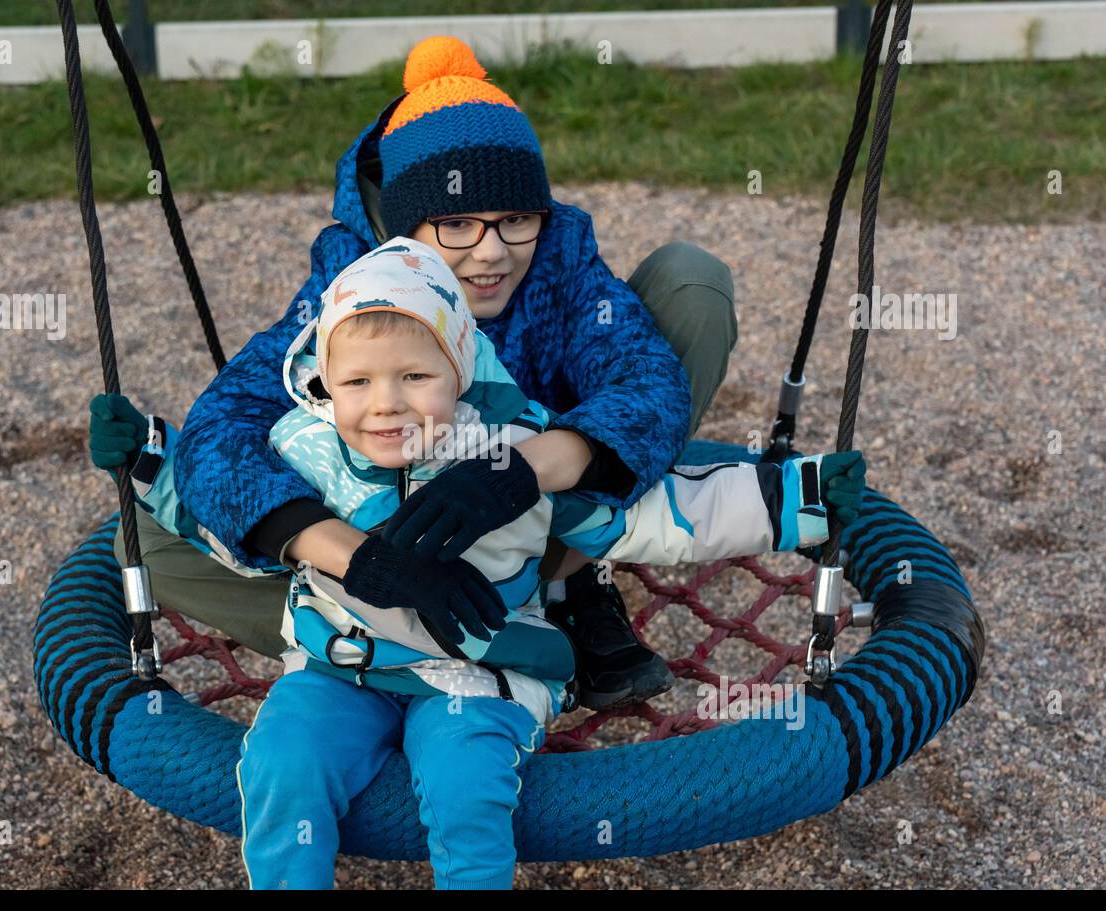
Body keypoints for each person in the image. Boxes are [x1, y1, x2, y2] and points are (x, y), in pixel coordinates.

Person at [98, 238, 866, 889]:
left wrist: (794, 498)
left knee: (467, 792)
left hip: (480, 669)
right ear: (326, 383)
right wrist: (146, 456)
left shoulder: (510, 454)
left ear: (460, 369)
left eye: (415, 377)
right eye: (358, 382)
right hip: (341, 664)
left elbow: (657, 516)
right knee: (279, 765)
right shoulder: (303, 451)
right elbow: (216, 511)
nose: (387, 404)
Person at [104, 34, 742, 711]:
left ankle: (565, 584)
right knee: (140, 536)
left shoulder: (558, 256)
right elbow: (219, 428)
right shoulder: (354, 285)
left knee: (691, 283)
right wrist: (359, 557)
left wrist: (521, 469)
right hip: (384, 535)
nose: (492, 253)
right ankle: (380, 629)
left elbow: (650, 383)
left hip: (537, 524)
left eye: (515, 219)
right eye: (458, 223)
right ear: (405, 232)